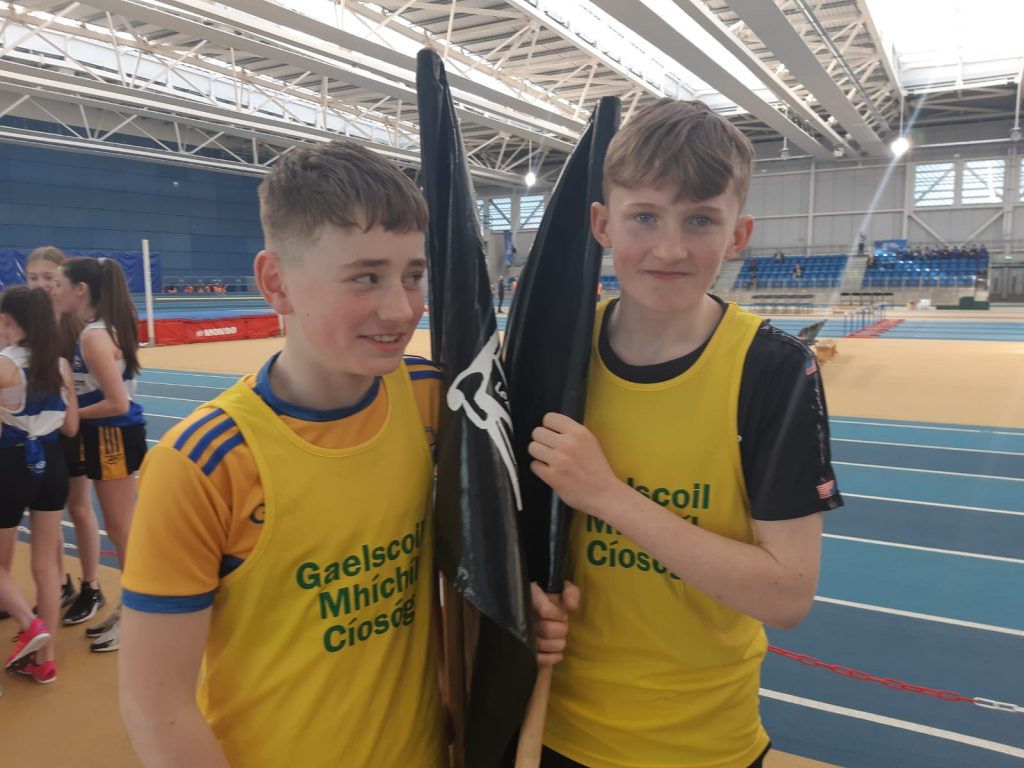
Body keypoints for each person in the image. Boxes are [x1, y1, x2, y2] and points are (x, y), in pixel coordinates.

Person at [118, 139, 567, 766]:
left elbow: (472, 552)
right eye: (365, 277)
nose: (401, 308)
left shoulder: (431, 399)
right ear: (276, 282)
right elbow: (156, 706)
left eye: (413, 275)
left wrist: (519, 607)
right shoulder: (206, 464)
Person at [528, 99, 842, 768]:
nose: (669, 248)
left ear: (738, 235)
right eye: (645, 217)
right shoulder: (551, 351)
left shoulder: (774, 371)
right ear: (602, 224)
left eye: (700, 220)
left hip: (702, 746)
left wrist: (608, 496)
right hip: (552, 731)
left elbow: (787, 595)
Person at [52, 257, 146, 652]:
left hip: (113, 436)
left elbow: (118, 403)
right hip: (108, 435)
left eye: (59, 283)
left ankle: (140, 614)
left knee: (122, 529)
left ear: (81, 290)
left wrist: (69, 414)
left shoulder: (94, 336)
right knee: (122, 527)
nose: (54, 290)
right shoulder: (96, 330)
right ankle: (133, 607)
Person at [24, 247, 108, 628]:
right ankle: (59, 583)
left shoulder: (75, 325)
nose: (41, 285)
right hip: (42, 431)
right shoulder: (27, 322)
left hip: (73, 428)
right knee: (46, 513)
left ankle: (92, 585)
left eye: (49, 278)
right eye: (33, 278)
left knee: (79, 507)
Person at [0, 286, 79, 683]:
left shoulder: (5, 365)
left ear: (6, 320)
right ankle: (45, 661)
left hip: (12, 463)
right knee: (47, 567)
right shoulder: (60, 365)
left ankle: (29, 623)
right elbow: (71, 426)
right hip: (52, 464)